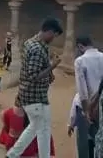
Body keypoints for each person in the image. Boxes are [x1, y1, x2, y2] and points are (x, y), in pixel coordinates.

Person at [6, 17, 63, 158]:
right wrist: (53, 66)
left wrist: (48, 73)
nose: (53, 39)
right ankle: (14, 154)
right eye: (54, 36)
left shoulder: (31, 42)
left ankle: (13, 154)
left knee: (37, 128)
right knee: (41, 128)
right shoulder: (37, 49)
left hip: (32, 95)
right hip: (34, 96)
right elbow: (34, 75)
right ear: (49, 31)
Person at [73, 36, 103, 158]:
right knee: (100, 141)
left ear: (80, 46)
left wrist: (86, 111)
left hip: (87, 106)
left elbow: (82, 90)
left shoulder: (80, 61)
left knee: (84, 143)